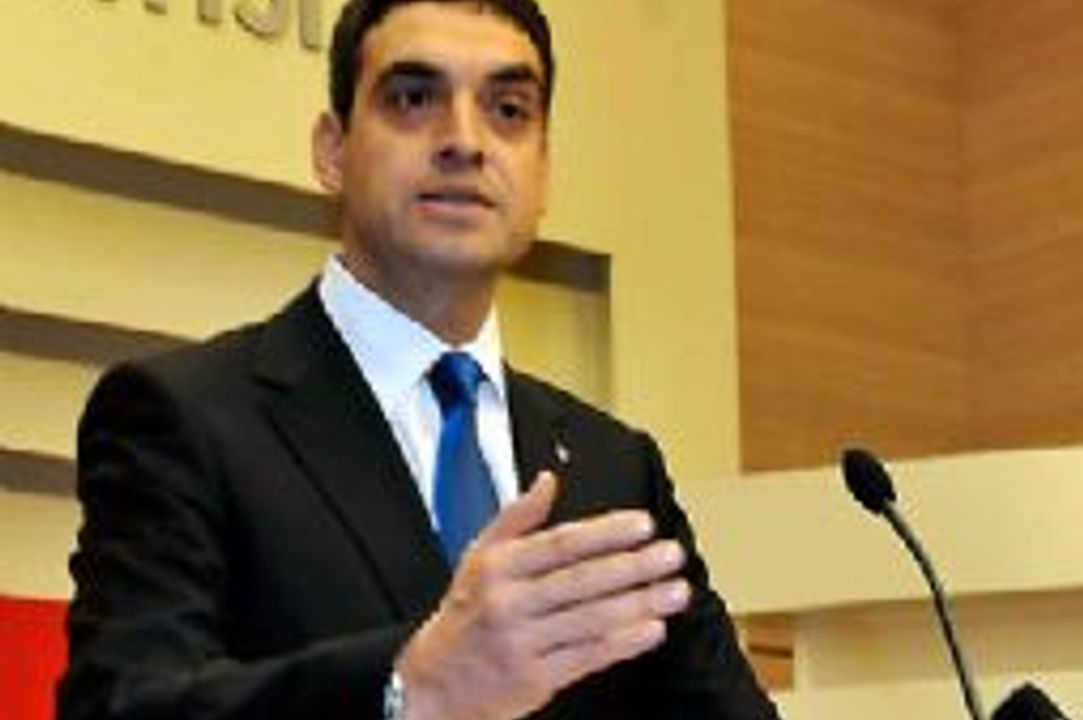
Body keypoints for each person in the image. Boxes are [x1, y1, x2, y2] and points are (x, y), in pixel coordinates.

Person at [57, 1, 781, 719]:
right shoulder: (184, 417)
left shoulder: (614, 469)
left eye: (508, 110)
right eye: (412, 99)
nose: (464, 141)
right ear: (332, 150)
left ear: (544, 172)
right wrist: (410, 689)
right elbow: (122, 708)